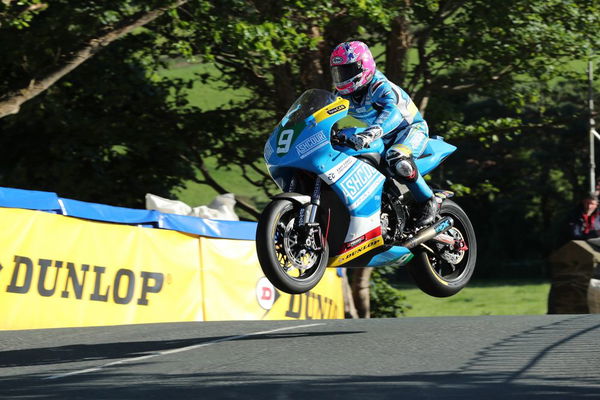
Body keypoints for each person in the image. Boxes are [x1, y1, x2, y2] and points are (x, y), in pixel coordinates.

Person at [330, 40, 437, 227]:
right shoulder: (342, 96)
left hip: (410, 130)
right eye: (339, 72)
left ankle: (428, 201)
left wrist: (371, 133)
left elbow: (392, 112)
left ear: (363, 66)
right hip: (380, 136)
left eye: (347, 71)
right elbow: (325, 114)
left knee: (397, 157)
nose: (342, 77)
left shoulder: (379, 86)